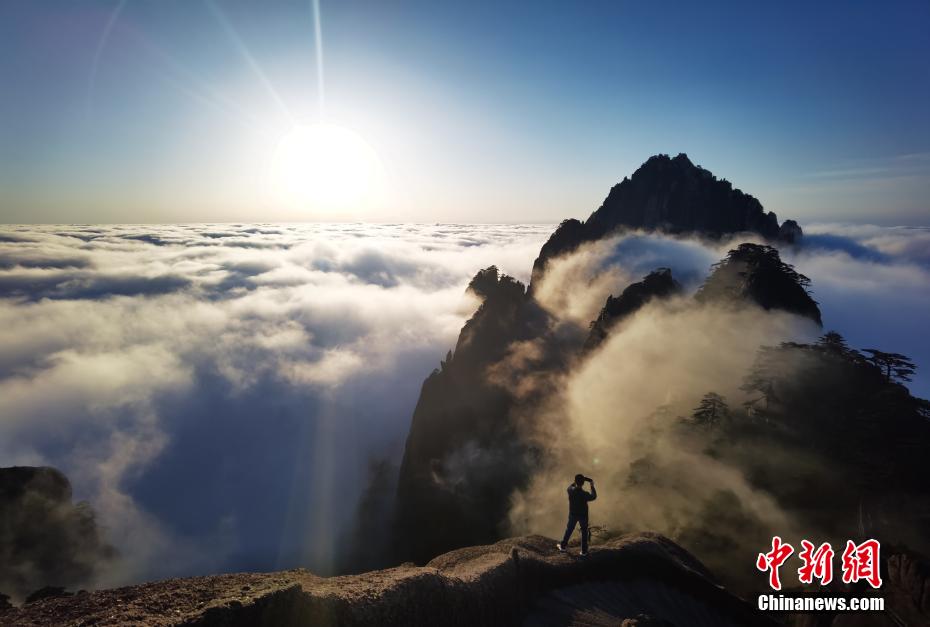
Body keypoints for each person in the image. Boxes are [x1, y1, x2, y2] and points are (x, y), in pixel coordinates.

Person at [557, 474, 597, 556]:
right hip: (583, 515)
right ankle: (584, 551)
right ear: (583, 483)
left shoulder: (570, 490)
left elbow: (570, 486)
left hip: (573, 514)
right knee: (584, 531)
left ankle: (563, 546)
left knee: (569, 529)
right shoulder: (584, 494)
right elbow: (594, 496)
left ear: (575, 481)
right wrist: (592, 485)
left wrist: (576, 481)